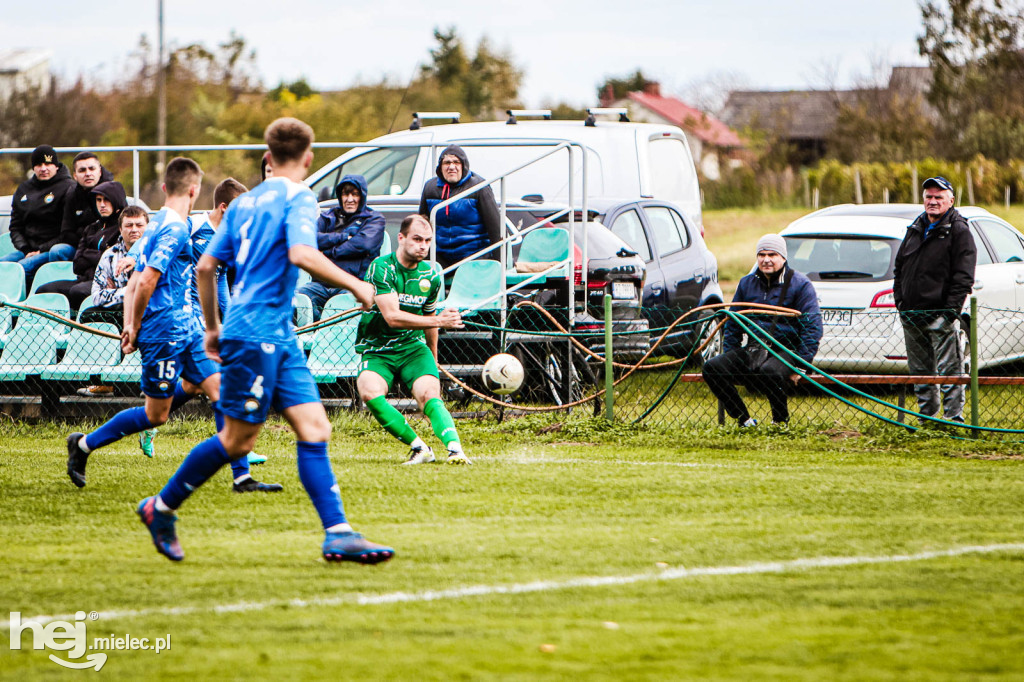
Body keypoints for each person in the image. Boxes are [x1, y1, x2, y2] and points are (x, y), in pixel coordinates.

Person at [135, 117, 394, 564]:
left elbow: (205, 267)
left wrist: (214, 327)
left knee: (315, 428)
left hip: (274, 332)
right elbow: (301, 253)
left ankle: (338, 534)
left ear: (268, 159)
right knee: (238, 441)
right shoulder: (301, 196)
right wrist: (357, 285)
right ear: (309, 159)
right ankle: (160, 508)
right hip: (257, 333)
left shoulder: (241, 205)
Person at [65, 157, 281, 492]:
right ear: (195, 190)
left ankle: (242, 477)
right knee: (156, 415)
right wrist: (134, 328)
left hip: (189, 329)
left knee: (222, 393)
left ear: (165, 187)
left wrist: (131, 324)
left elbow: (137, 277)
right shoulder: (177, 228)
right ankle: (83, 446)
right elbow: (146, 281)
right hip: (163, 330)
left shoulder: (160, 223)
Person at [356, 214, 470, 465]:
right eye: (417, 239)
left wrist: (433, 356)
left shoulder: (431, 276)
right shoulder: (381, 267)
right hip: (378, 348)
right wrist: (440, 320)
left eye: (427, 241)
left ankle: (455, 451)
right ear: (401, 238)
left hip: (412, 348)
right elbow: (393, 317)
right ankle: (419, 447)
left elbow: (428, 317)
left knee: (430, 394)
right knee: (368, 391)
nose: (423, 246)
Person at [702, 234, 822, 426]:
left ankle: (780, 422)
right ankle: (744, 420)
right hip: (754, 348)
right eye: (762, 255)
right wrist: (732, 355)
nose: (766, 260)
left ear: (783, 257)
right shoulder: (746, 283)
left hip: (786, 350)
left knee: (769, 371)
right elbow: (733, 322)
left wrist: (801, 365)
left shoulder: (800, 284)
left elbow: (812, 327)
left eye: (772, 255)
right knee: (712, 368)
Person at [893, 176, 977, 424]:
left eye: (938, 197)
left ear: (951, 200)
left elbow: (963, 277)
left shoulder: (958, 231)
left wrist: (949, 313)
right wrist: (901, 303)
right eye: (928, 197)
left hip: (941, 316)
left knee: (950, 370)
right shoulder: (916, 227)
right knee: (921, 372)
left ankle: (953, 420)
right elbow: (900, 267)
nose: (933, 201)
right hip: (911, 314)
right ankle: (927, 419)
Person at [298, 174, 384, 321]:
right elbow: (309, 239)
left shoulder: (374, 219)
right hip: (320, 284)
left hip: (352, 284)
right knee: (298, 297)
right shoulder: (328, 217)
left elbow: (364, 244)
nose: (350, 199)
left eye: (355, 194)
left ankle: (327, 335)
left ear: (362, 195)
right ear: (340, 195)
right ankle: (310, 337)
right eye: (345, 194)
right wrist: (342, 237)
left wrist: (330, 251)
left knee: (342, 305)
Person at [36, 180, 127, 312]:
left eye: (107, 200)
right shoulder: (91, 228)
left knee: (77, 291)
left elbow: (111, 263)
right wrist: (100, 254)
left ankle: (81, 326)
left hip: (104, 283)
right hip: (83, 279)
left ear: (116, 201)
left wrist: (88, 254)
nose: (102, 205)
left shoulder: (122, 229)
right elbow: (77, 264)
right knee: (44, 290)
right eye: (98, 200)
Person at [418, 144, 502, 269]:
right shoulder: (430, 188)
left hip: (473, 254)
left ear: (464, 165)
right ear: (440, 167)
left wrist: (500, 265)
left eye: (456, 162)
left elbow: (496, 228)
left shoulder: (479, 187)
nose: (451, 167)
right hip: (440, 255)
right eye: (447, 163)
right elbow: (421, 226)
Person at [3, 145, 77, 283]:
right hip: (27, 250)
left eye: (48, 164)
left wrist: (41, 250)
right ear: (33, 168)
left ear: (56, 166)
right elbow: (15, 227)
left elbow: (68, 231)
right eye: (39, 164)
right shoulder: (23, 189)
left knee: (22, 268)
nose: (43, 168)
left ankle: (26, 301)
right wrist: (25, 249)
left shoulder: (69, 188)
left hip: (53, 248)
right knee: (3, 265)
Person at [60, 152, 115, 248]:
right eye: (82, 170)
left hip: (107, 246)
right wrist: (86, 241)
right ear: (75, 176)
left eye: (92, 169)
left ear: (100, 171)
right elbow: (66, 232)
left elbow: (119, 227)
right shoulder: (71, 194)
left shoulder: (113, 191)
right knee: (58, 250)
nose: (88, 174)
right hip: (80, 246)